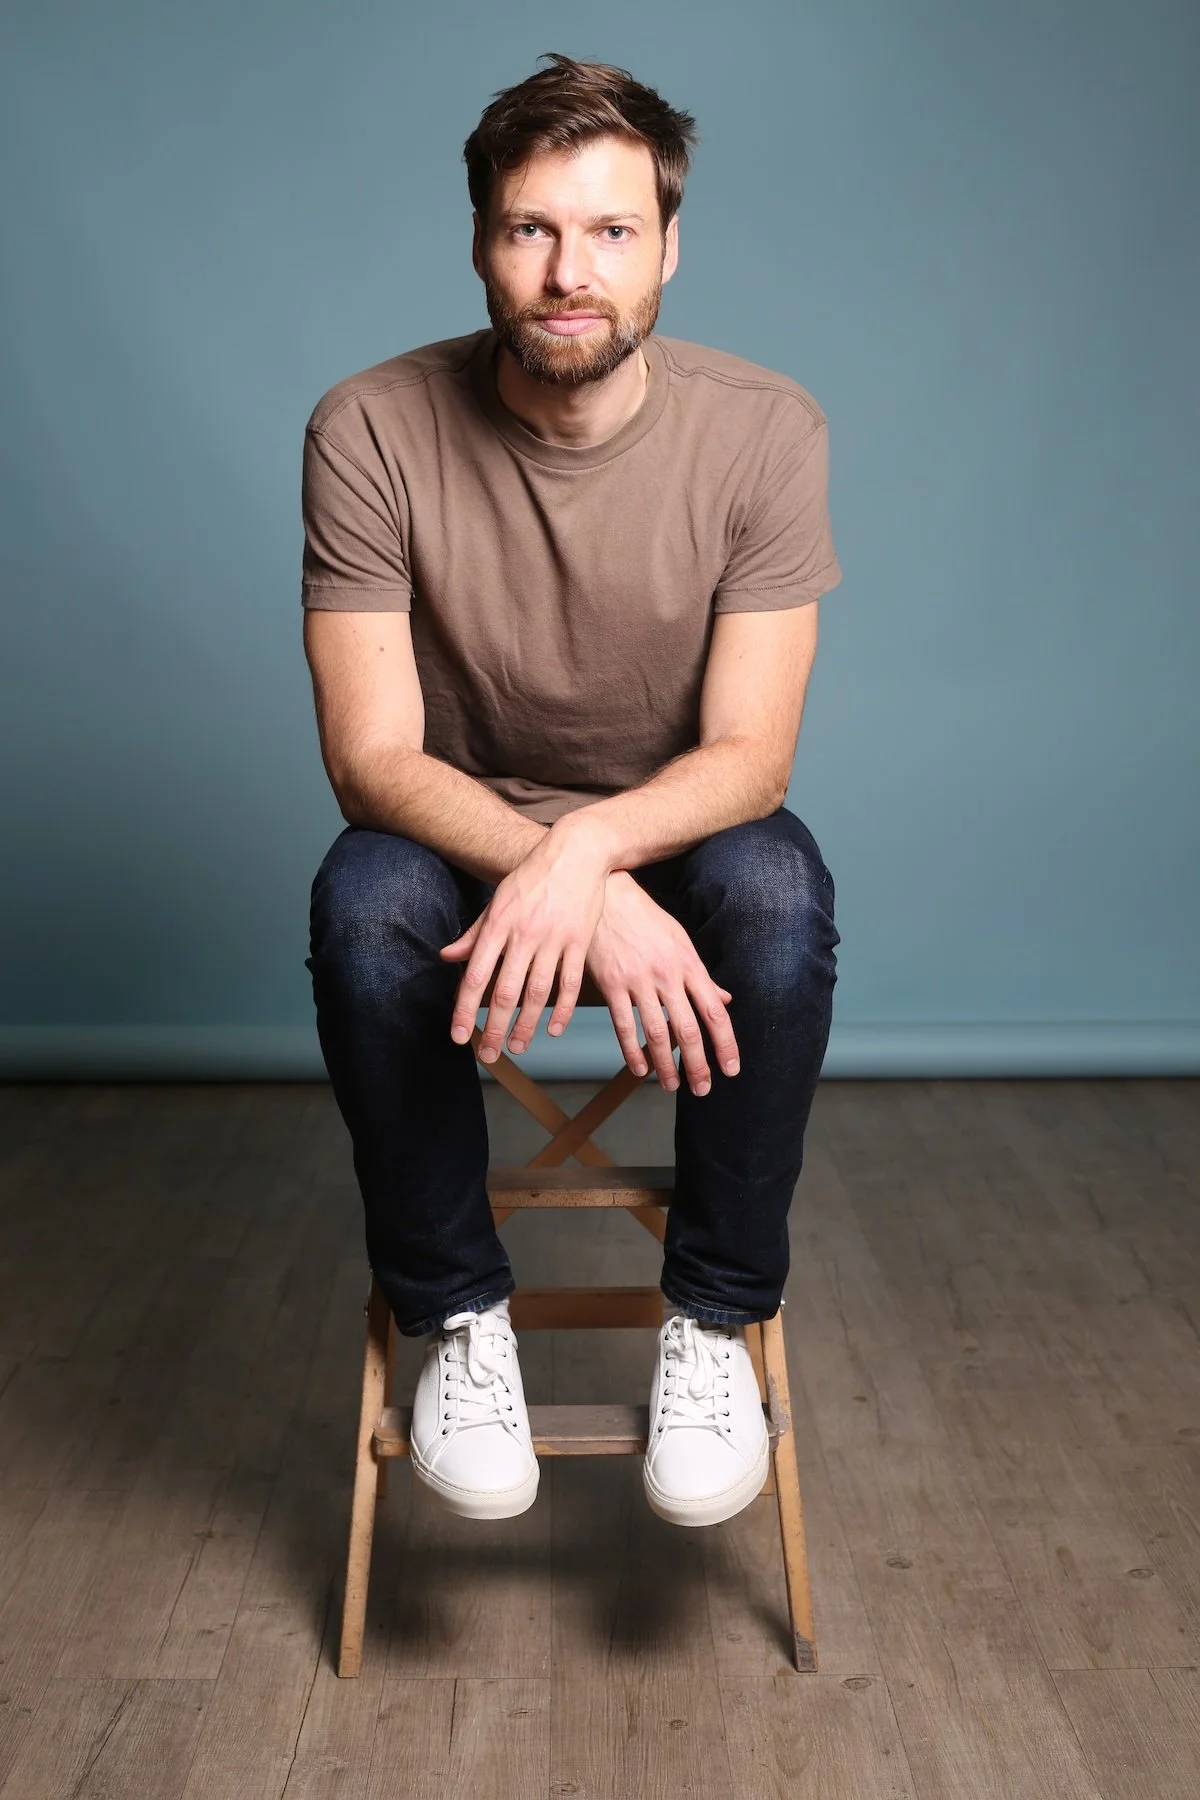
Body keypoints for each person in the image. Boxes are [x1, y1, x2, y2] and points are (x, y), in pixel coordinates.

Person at [302, 52, 842, 1531]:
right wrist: (551, 873)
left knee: (782, 896)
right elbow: (372, 760)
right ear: (480, 241)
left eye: (610, 232)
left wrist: (588, 862)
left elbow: (752, 758)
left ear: (670, 245)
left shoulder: (765, 430)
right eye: (532, 229)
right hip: (452, 836)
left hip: (673, 833)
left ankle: (713, 1322)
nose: (568, 272)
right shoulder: (370, 427)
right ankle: (458, 1318)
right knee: (360, 907)